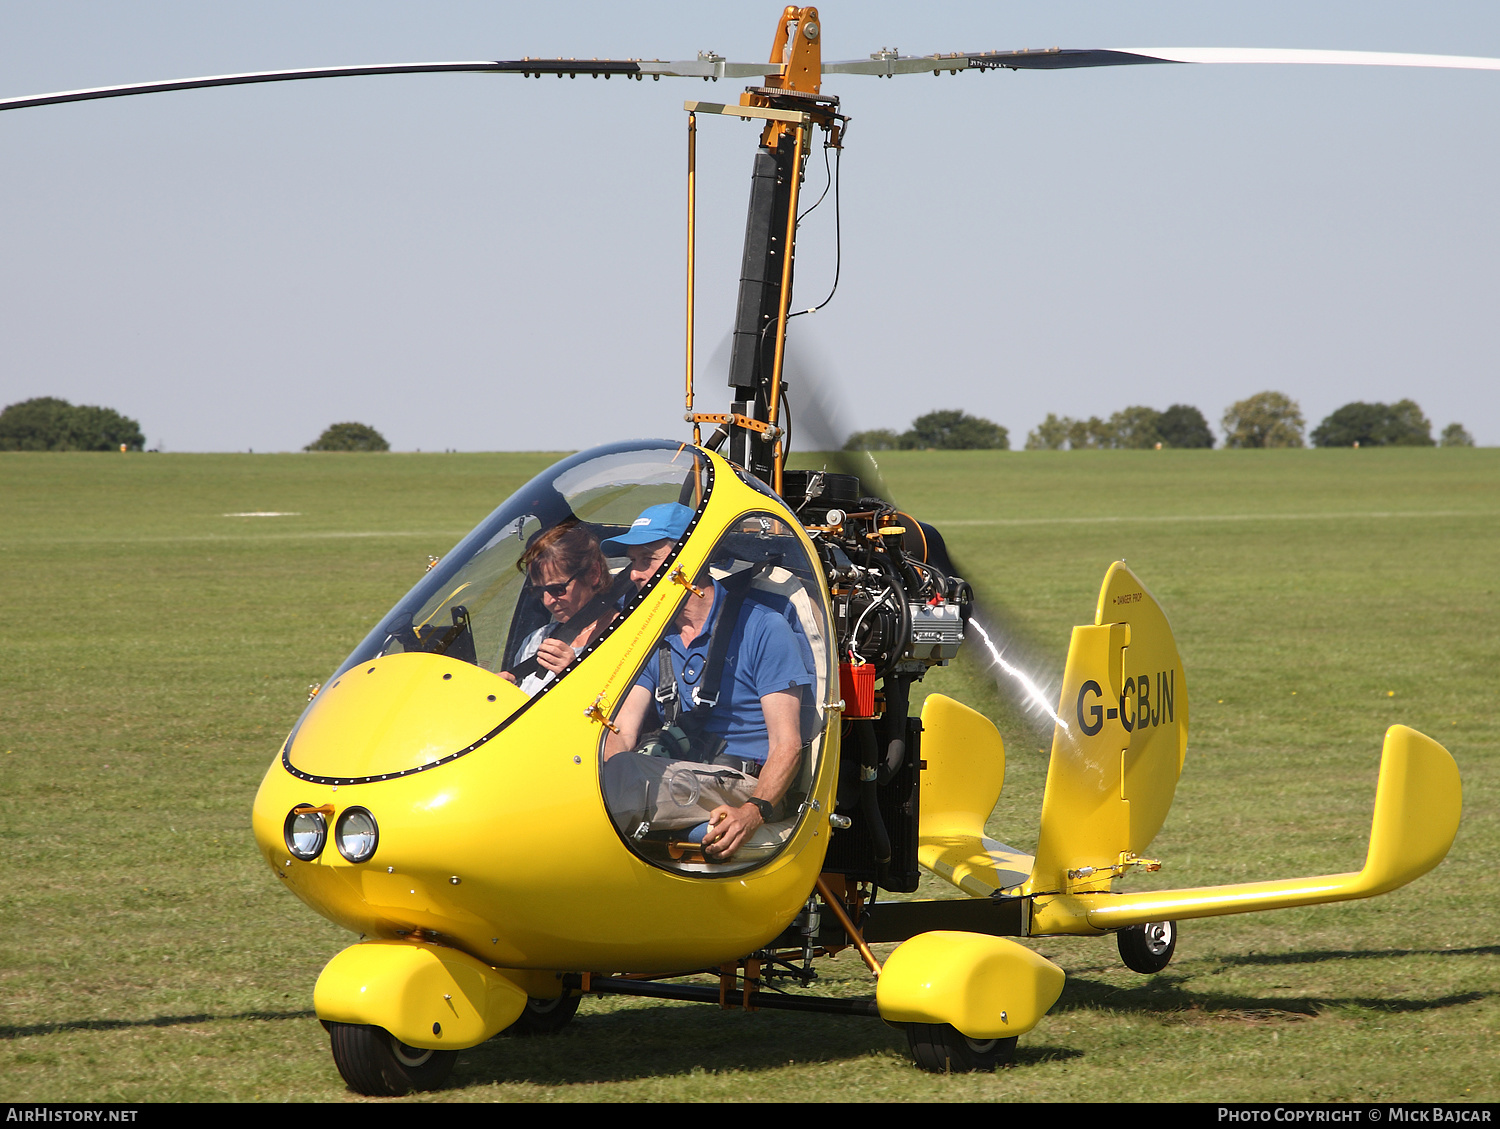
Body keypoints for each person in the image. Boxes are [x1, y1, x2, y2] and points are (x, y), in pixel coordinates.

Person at [601, 503, 813, 861]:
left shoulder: (764, 628)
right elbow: (621, 733)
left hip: (744, 783)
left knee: (620, 776)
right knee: (592, 773)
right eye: (632, 560)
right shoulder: (654, 637)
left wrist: (753, 810)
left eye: (646, 560)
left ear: (691, 560)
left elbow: (787, 744)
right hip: (681, 773)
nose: (634, 574)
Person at [501, 520, 617, 696]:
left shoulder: (625, 636)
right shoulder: (537, 640)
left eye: (557, 589)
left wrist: (576, 676)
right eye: (538, 591)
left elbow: (624, 714)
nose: (547, 601)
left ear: (593, 573)